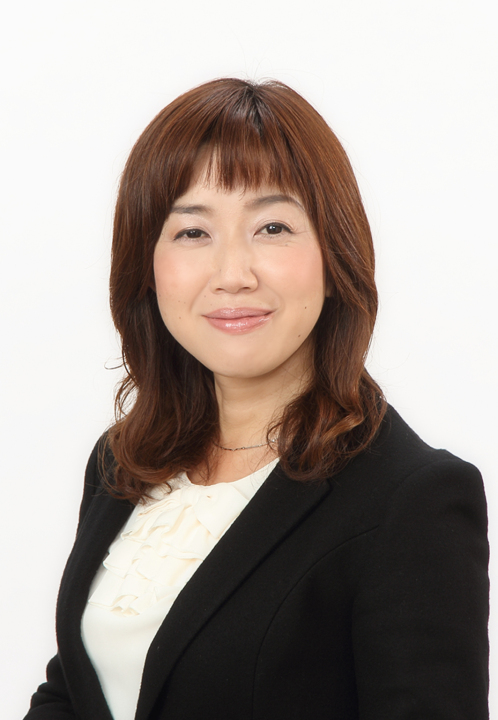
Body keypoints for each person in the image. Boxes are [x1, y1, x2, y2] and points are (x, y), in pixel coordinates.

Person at [24, 78, 489, 720]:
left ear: (334, 257)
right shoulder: (123, 463)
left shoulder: (412, 501)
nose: (232, 274)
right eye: (193, 232)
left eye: (272, 227)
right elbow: (76, 691)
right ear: (147, 267)